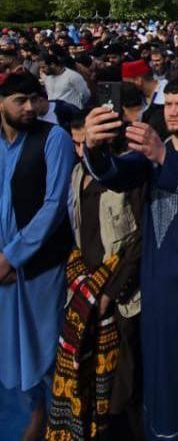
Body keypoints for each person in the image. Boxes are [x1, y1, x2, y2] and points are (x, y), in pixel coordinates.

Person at [82, 76, 178, 439]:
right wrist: (94, 148)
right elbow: (116, 176)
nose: (171, 112)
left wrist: (162, 156)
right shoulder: (151, 153)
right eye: (167, 104)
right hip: (158, 292)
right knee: (162, 375)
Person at [46, 113, 144, 440]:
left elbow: (139, 241)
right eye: (76, 143)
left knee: (122, 391)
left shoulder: (127, 175)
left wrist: (108, 292)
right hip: (86, 292)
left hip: (121, 299)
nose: (81, 149)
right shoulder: (76, 174)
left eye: (86, 141)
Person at [0, 73, 74, 441]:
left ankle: (55, 419)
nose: (29, 108)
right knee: (11, 347)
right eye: (19, 100)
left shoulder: (53, 138)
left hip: (41, 266)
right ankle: (36, 410)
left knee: (47, 347)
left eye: (35, 99)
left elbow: (53, 206)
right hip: (3, 269)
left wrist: (13, 257)